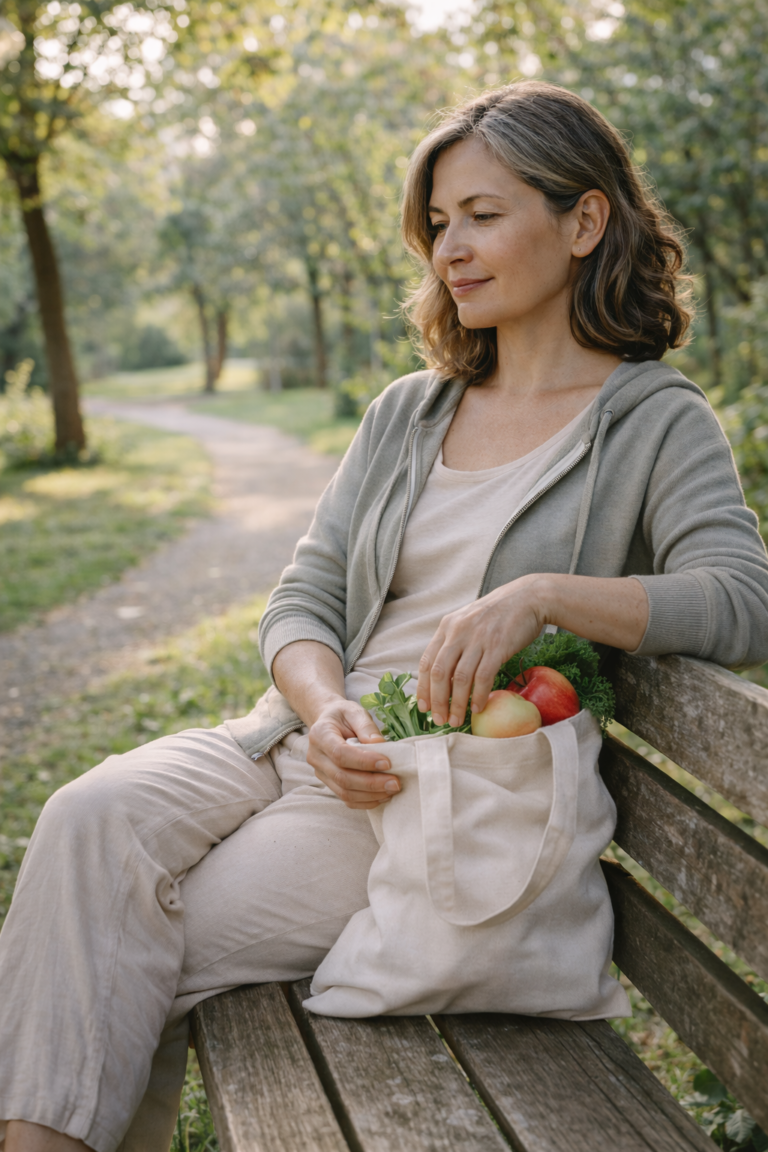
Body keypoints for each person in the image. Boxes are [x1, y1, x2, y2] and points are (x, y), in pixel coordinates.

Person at [2, 80, 768, 1152]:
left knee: (135, 937)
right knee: (86, 819)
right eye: (439, 224)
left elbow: (742, 600)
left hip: (426, 790)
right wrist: (318, 710)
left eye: (485, 215)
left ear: (585, 221)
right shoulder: (409, 413)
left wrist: (539, 596)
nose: (450, 249)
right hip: (300, 739)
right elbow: (304, 598)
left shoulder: (654, 423)